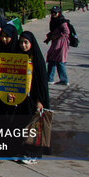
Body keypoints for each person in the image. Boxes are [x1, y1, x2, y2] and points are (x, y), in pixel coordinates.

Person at [17, 31, 50, 164]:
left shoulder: (37, 59)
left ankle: (33, 154)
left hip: (34, 98)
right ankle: (23, 151)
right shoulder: (18, 56)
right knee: (23, 125)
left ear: (32, 43)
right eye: (21, 43)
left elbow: (42, 82)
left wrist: (40, 100)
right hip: (22, 98)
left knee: (34, 126)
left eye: (26, 43)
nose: (23, 45)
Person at [44, 6, 70, 86]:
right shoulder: (54, 21)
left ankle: (61, 79)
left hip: (61, 43)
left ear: (59, 13)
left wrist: (56, 36)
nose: (53, 14)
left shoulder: (62, 21)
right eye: (52, 12)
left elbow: (66, 32)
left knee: (57, 60)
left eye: (55, 13)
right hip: (56, 41)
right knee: (54, 60)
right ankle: (53, 79)